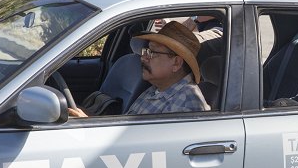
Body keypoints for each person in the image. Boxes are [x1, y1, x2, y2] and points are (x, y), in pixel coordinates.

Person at [69, 21, 210, 117]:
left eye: (152, 53)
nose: (143, 58)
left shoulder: (187, 103)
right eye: (145, 52)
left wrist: (88, 130)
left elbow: (151, 152)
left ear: (177, 63)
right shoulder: (157, 90)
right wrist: (89, 121)